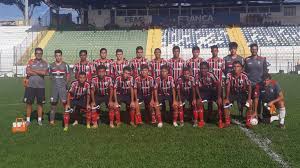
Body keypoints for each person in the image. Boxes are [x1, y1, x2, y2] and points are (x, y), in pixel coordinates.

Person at [24, 48, 48, 126]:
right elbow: (27, 72)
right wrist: (39, 72)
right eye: (37, 53)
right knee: (29, 103)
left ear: (42, 54)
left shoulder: (44, 63)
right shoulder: (31, 61)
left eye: (40, 53)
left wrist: (33, 71)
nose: (39, 54)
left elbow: (44, 73)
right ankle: (28, 120)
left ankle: (39, 120)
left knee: (40, 104)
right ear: (35, 54)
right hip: (30, 86)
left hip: (40, 87)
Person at [224, 61, 252, 128]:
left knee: (250, 104)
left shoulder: (245, 76)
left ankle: (248, 122)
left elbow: (249, 87)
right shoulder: (229, 75)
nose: (235, 68)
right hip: (232, 93)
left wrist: (249, 99)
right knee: (225, 103)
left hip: (242, 93)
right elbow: (227, 86)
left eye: (238, 66)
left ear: (241, 68)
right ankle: (227, 121)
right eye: (234, 66)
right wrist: (227, 98)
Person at [196, 62, 223, 128]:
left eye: (205, 68)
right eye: (201, 68)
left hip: (213, 91)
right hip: (204, 91)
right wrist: (199, 97)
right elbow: (196, 87)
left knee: (220, 103)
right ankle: (202, 121)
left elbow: (219, 85)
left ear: (208, 69)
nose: (203, 70)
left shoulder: (211, 75)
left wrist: (219, 97)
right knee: (199, 102)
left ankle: (220, 120)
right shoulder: (197, 75)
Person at [244, 43, 268, 118]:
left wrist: (265, 81)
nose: (254, 50)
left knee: (260, 100)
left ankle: (260, 114)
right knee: (251, 100)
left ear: (257, 50)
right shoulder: (247, 60)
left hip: (260, 83)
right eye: (252, 49)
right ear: (250, 50)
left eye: (255, 49)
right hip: (250, 84)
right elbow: (245, 71)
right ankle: (251, 114)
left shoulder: (262, 59)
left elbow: (265, 72)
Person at [48, 49, 70, 125]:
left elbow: (68, 75)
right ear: (55, 56)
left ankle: (66, 120)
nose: (58, 57)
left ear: (61, 56)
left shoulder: (65, 65)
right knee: (53, 104)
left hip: (63, 88)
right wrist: (55, 83)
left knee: (65, 104)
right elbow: (50, 76)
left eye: (59, 55)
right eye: (56, 56)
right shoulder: (51, 65)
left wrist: (64, 84)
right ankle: (51, 120)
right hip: (54, 88)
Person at [206, 45, 225, 119]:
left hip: (219, 85)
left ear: (218, 51)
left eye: (216, 50)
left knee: (220, 100)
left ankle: (220, 115)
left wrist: (223, 81)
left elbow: (223, 72)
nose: (214, 52)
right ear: (211, 51)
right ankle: (209, 114)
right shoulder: (208, 61)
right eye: (213, 51)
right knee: (210, 101)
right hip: (211, 85)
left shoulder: (222, 61)